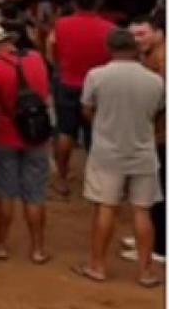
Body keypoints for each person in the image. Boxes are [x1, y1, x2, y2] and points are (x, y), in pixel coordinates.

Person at [72, 30, 164, 288]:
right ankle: (145, 271)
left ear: (108, 48)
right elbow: (160, 115)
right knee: (142, 211)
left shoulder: (97, 76)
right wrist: (150, 134)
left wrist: (101, 125)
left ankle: (97, 265)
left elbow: (87, 109)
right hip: (143, 152)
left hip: (107, 152)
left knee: (105, 208)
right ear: (135, 49)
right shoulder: (155, 81)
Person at [0, 25, 51, 265]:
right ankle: (38, 248)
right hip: (36, 135)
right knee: (35, 195)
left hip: (4, 134)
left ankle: (1, 245)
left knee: (6, 192)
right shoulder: (36, 58)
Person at [47, 0, 114, 197]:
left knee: (66, 131)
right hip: (99, 86)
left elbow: (51, 49)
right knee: (97, 131)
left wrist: (59, 67)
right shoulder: (109, 28)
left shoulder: (61, 24)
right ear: (98, 4)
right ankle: (97, 179)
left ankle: (62, 178)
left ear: (75, 4)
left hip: (68, 82)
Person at [121, 16, 166, 265]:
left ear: (158, 33)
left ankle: (160, 247)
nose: (137, 40)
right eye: (133, 36)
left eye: (142, 34)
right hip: (154, 135)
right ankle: (149, 238)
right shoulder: (149, 55)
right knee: (152, 191)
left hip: (162, 136)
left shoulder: (164, 58)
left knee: (160, 194)